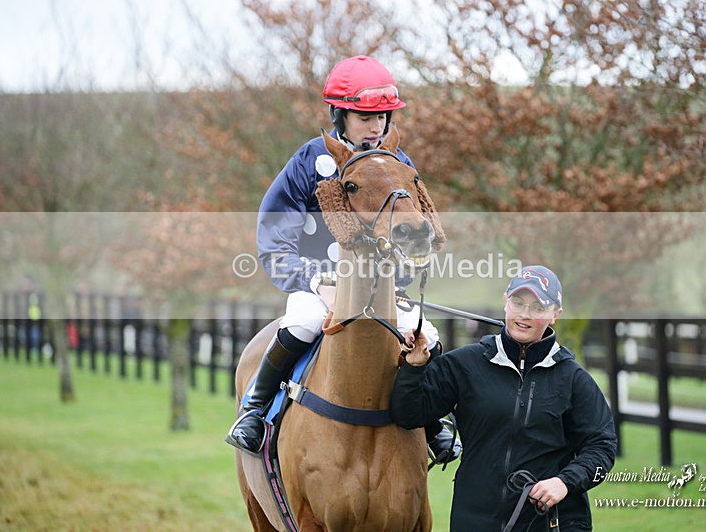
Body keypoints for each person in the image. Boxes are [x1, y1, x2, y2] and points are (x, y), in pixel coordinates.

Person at [226, 55, 460, 463]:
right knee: (301, 322)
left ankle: (435, 424)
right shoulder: (308, 162)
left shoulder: (400, 165)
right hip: (317, 286)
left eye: (383, 116)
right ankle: (254, 411)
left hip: (383, 290)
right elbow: (275, 242)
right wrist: (319, 283)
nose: (376, 126)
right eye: (364, 116)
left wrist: (401, 280)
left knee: (428, 335)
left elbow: (416, 238)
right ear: (339, 114)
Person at [391, 265, 616, 531]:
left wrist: (565, 482)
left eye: (538, 307)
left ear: (556, 315)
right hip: (474, 519)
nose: (524, 314)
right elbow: (407, 415)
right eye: (518, 303)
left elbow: (602, 446)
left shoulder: (573, 378)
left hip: (549, 522)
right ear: (505, 302)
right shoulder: (464, 365)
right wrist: (414, 368)